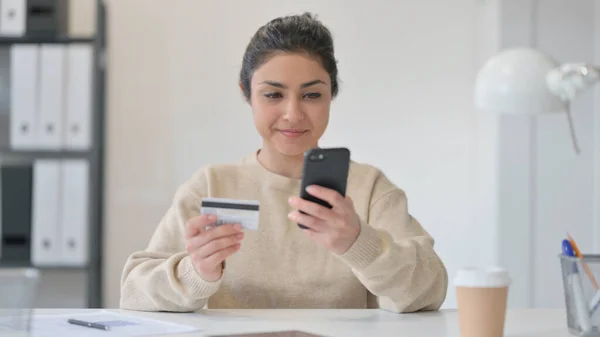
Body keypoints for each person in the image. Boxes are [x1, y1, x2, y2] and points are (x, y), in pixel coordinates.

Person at [120, 12, 448, 313]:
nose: (292, 114)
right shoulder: (210, 185)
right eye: (273, 95)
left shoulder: (369, 189)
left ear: (331, 94)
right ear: (246, 93)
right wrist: (195, 272)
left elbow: (430, 291)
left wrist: (360, 244)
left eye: (311, 94)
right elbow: (133, 292)